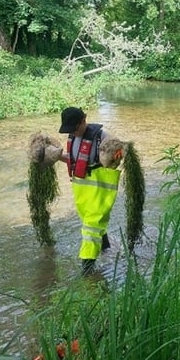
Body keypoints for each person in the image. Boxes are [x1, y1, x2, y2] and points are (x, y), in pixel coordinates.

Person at [59, 107, 120, 275]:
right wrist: (56, 155)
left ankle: (87, 271)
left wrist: (115, 156)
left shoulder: (102, 137)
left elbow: (117, 156)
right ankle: (107, 250)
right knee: (92, 224)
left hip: (99, 191)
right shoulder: (73, 138)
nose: (72, 132)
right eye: (69, 130)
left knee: (90, 229)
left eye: (75, 128)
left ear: (84, 120)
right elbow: (74, 161)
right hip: (81, 191)